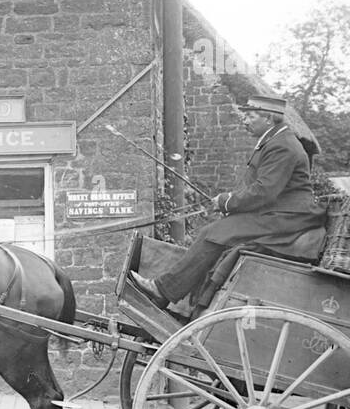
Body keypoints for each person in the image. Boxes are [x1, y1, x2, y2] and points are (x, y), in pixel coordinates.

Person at [131, 94, 327, 308]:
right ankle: (169, 292)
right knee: (213, 231)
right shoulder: (275, 141)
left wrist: (227, 201)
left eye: (250, 117)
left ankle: (163, 290)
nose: (244, 121)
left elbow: (264, 192)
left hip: (288, 218)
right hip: (276, 212)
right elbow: (258, 188)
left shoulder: (283, 146)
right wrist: (230, 204)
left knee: (215, 233)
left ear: (268, 119)